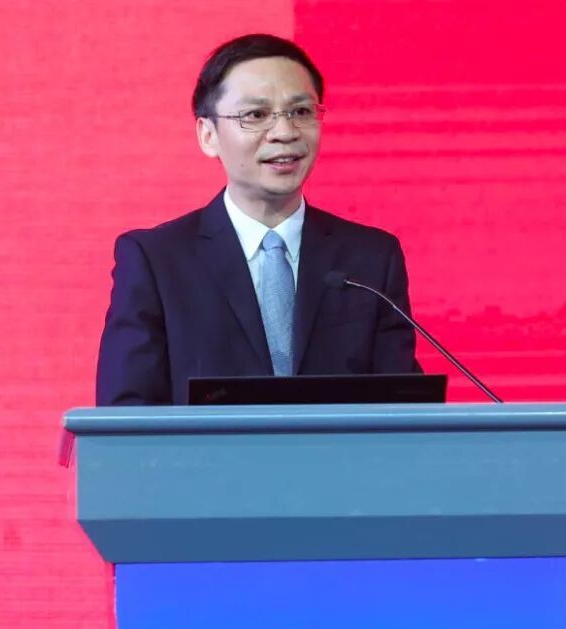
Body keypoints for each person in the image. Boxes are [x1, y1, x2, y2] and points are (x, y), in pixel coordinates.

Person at [96, 34, 420, 406]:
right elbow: (124, 413)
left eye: (301, 112)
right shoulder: (156, 261)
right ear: (208, 135)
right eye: (255, 115)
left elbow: (404, 408)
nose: (285, 133)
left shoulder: (370, 259)